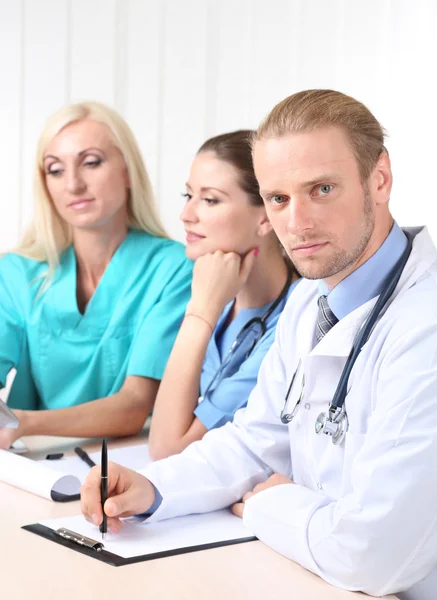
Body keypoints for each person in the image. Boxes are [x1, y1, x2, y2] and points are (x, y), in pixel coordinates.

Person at [81, 90, 437, 600]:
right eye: (279, 198)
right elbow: (255, 439)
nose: (297, 223)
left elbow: (374, 555)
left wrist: (273, 504)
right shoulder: (309, 299)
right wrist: (155, 487)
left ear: (379, 179)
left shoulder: (425, 325)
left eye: (322, 188)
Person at [0, 101, 192, 449]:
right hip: (33, 465)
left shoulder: (173, 269)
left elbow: (135, 404)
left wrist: (24, 422)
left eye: (91, 163)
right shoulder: (16, 272)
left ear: (128, 171)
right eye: (55, 170)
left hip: (129, 464)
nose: (73, 184)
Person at [148, 131, 300, 459]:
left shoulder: (296, 318)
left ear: (265, 216)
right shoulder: (217, 293)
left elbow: (167, 449)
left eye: (210, 199)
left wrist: (200, 312)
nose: (186, 215)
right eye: (187, 195)